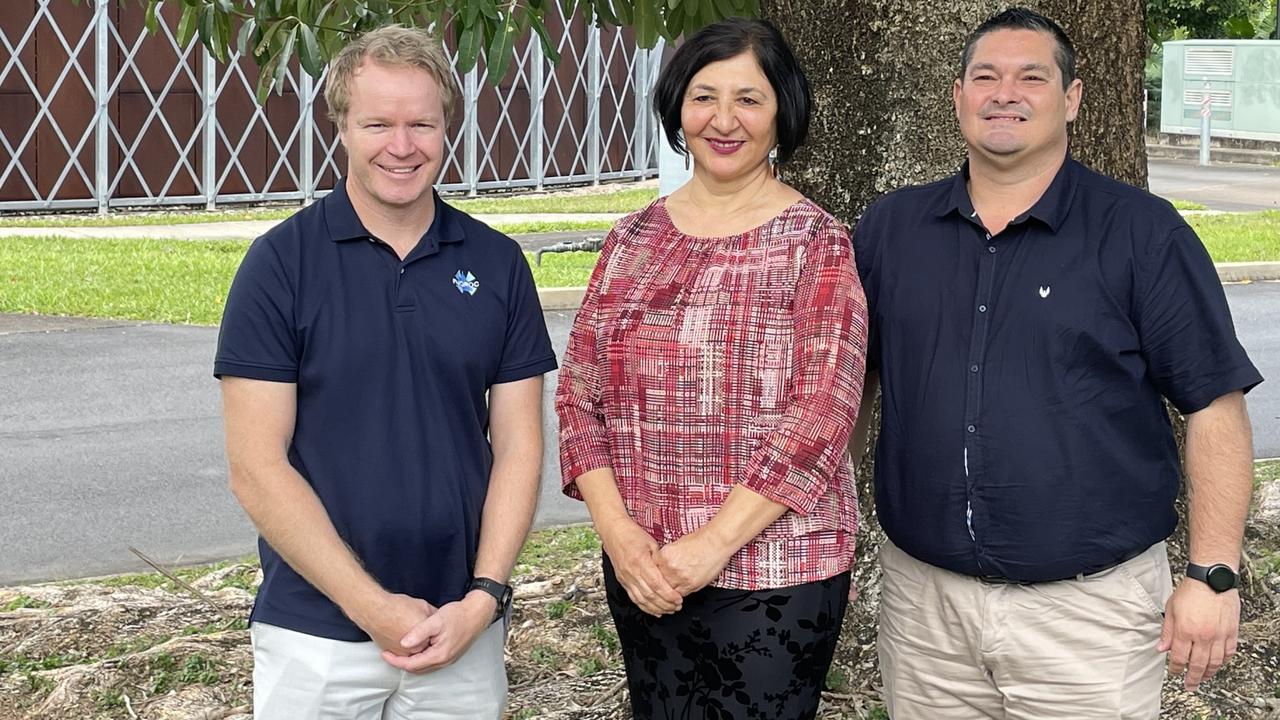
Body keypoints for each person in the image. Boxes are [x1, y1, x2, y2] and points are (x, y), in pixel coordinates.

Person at [851, 7, 1263, 718]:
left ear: (1070, 100)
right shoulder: (892, 229)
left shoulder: (1143, 234)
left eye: (1031, 77)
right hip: (925, 611)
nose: (1004, 93)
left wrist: (1212, 574)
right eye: (986, 76)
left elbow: (1214, 404)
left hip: (1090, 617)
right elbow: (852, 388)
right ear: (958, 97)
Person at [213, 25, 556, 719]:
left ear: (447, 126)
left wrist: (485, 596)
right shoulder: (279, 266)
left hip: (462, 628)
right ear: (340, 123)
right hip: (316, 634)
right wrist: (370, 606)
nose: (402, 146)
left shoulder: (497, 265)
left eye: (421, 124)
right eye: (378, 123)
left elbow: (519, 446)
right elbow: (256, 465)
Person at [556, 17, 867, 720]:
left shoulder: (815, 243)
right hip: (644, 568)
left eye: (748, 99)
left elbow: (822, 413)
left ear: (782, 111)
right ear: (677, 108)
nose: (724, 120)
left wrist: (711, 544)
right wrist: (620, 534)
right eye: (704, 97)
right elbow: (578, 398)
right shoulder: (631, 239)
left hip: (776, 572)